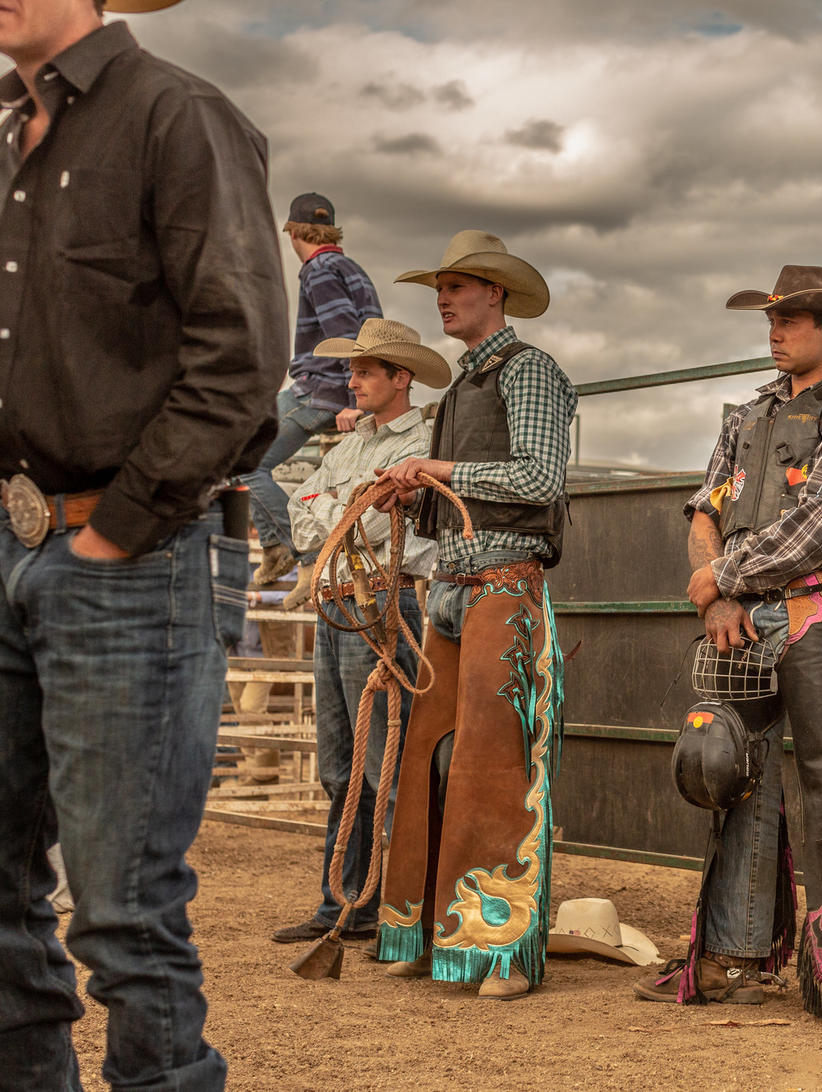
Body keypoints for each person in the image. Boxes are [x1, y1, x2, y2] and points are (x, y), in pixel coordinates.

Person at [0, 0, 287, 1087]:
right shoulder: (9, 143)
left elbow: (243, 349)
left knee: (122, 912)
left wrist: (116, 532)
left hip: (127, 553)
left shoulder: (178, 114)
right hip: (20, 540)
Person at [633, 265, 822, 1033]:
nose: (776, 331)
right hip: (741, 617)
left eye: (793, 320)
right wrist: (713, 590)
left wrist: (723, 576)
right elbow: (704, 506)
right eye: (772, 320)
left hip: (814, 613)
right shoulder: (746, 415)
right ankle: (731, 958)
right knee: (728, 775)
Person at [371, 231, 575, 1001]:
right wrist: (411, 489)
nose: (444, 299)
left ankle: (501, 949)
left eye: (458, 286)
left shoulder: (530, 372)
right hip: (454, 587)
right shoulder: (462, 387)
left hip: (504, 586)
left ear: (496, 293)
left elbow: (540, 476)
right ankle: (426, 930)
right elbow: (468, 489)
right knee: (426, 758)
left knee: (492, 765)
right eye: (440, 288)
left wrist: (438, 467)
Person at [269, 318, 445, 949]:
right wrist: (341, 513)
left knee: (384, 763)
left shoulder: (421, 441)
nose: (355, 381)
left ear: (401, 378)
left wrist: (337, 514)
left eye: (367, 370)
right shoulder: (349, 448)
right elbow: (305, 517)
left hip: (379, 603)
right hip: (339, 604)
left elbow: (363, 524)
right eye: (355, 369)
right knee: (341, 765)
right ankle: (346, 902)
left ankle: (396, 911)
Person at [245, 191, 383, 586]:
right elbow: (365, 331)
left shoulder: (318, 270)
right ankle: (276, 552)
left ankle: (300, 554)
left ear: (292, 232)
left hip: (319, 390)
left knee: (245, 458)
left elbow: (343, 333)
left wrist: (349, 396)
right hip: (335, 386)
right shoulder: (349, 267)